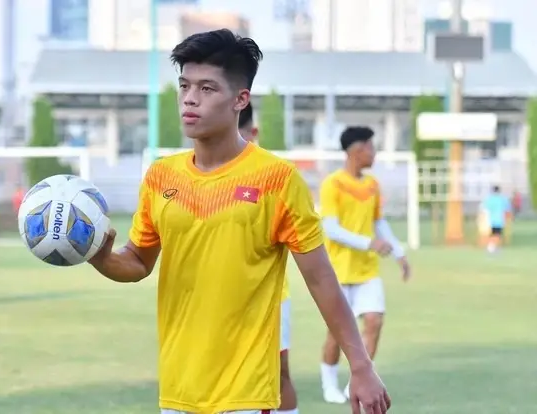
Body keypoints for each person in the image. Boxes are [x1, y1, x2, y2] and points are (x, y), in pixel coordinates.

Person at [89, 30, 390, 414]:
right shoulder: (160, 176)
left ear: (240, 100)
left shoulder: (277, 179)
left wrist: (361, 365)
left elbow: (320, 278)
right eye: (184, 86)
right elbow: (137, 261)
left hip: (246, 394)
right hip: (178, 391)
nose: (190, 98)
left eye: (207, 88)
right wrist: (100, 256)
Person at [318, 126, 410, 404]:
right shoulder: (332, 184)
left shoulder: (372, 185)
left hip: (367, 271)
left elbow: (378, 222)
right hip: (338, 271)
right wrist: (369, 243)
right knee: (337, 333)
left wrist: (399, 252)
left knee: (374, 322)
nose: (374, 152)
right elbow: (331, 229)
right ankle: (329, 386)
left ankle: (355, 383)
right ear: (356, 151)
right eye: (371, 147)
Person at [238, 102, 298, 414]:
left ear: (253, 131)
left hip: (269, 299)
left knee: (278, 371)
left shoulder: (273, 177)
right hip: (214, 302)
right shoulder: (193, 175)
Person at [482, 185, 512, 253]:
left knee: (493, 233)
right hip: (499, 220)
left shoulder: (489, 199)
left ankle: (492, 246)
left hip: (491, 220)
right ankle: (491, 247)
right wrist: (508, 218)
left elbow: (484, 209)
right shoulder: (503, 199)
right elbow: (507, 210)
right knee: (497, 234)